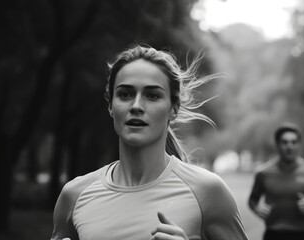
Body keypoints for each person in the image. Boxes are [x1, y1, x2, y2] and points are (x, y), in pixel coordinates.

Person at [51, 45, 249, 240]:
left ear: (174, 108)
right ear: (111, 105)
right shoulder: (74, 195)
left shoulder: (207, 191)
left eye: (152, 95)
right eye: (125, 94)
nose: (136, 106)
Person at [248, 123, 304, 240]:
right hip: (273, 235)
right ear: (277, 145)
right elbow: (252, 200)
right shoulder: (263, 173)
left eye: (294, 142)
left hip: (302, 235)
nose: (290, 146)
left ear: (299, 145)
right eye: (285, 142)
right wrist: (258, 209)